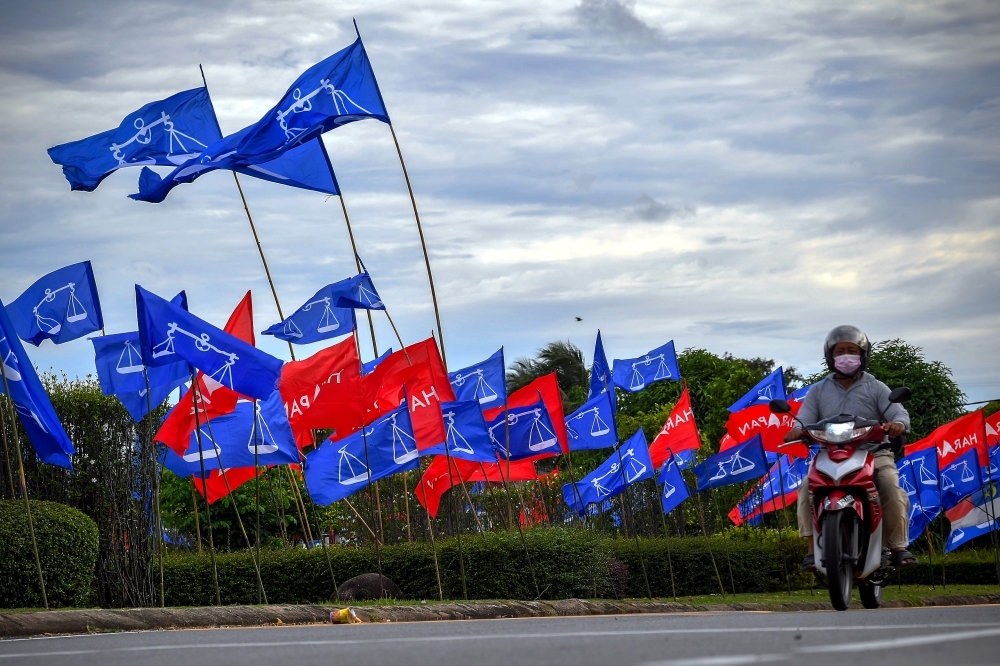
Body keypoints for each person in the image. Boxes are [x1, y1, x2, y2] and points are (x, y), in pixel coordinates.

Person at [787, 325, 916, 570]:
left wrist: (898, 424)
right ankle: (812, 550)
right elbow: (803, 419)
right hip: (830, 454)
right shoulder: (818, 390)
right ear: (830, 357)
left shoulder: (876, 387)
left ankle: (899, 547)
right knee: (806, 488)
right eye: (840, 351)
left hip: (873, 453)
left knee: (889, 485)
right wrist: (797, 429)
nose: (846, 356)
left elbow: (898, 413)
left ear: (863, 355)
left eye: (852, 351)